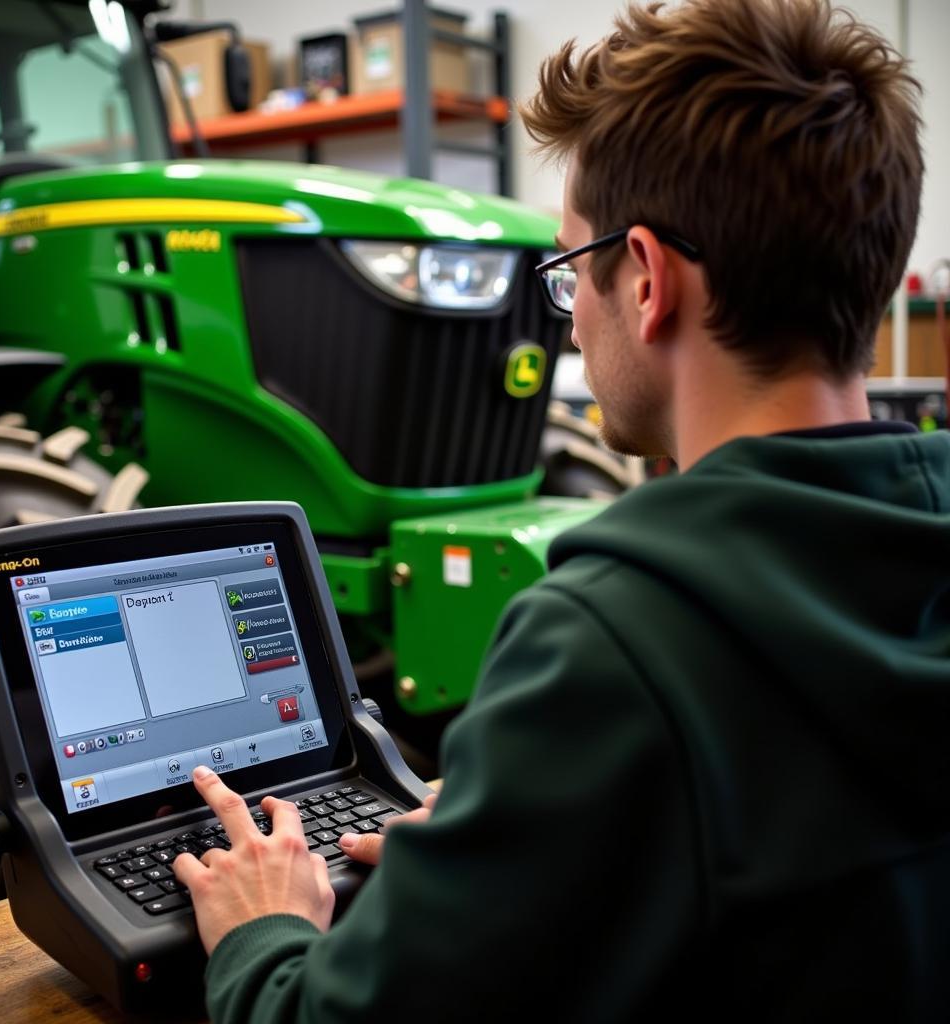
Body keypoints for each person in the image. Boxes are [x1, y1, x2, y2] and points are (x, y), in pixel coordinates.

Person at [173, 0, 950, 1019]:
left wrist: (260, 931)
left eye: (570, 269)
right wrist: (528, 825)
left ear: (647, 282)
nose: (570, 315)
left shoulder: (613, 640)